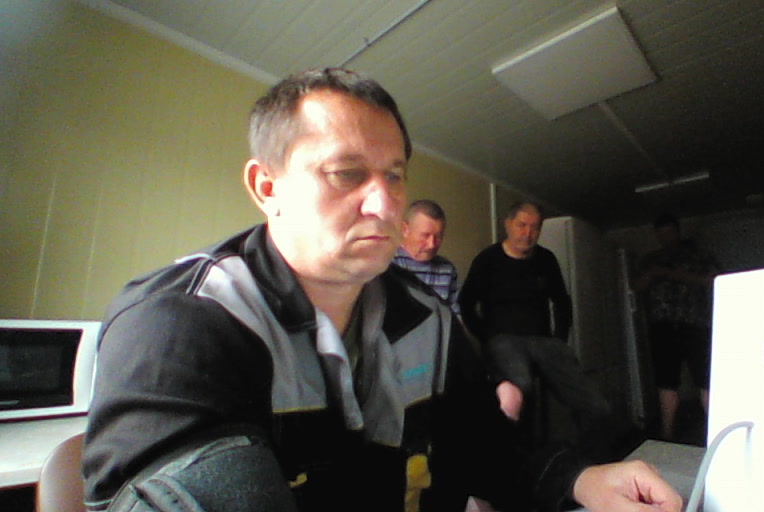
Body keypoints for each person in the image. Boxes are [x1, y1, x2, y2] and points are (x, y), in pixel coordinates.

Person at [82, 68, 682, 512]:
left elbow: (486, 445)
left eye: (394, 176)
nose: (386, 203)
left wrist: (577, 479)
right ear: (267, 187)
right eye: (346, 173)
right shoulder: (179, 324)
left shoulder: (429, 321)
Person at [458, 202, 614, 455]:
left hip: (544, 342)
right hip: (503, 341)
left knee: (596, 406)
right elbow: (466, 303)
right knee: (521, 388)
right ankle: (517, 459)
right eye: (522, 225)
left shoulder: (546, 260)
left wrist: (559, 339)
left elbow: (562, 302)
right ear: (508, 224)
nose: (528, 233)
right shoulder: (487, 260)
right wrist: (487, 338)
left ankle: (585, 463)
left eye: (535, 227)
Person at [633, 214, 720, 442]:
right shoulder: (651, 259)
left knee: (705, 378)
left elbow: (714, 281)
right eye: (660, 234)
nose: (665, 238)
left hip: (695, 323)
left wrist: (671, 274)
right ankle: (667, 433)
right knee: (666, 380)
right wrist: (651, 275)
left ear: (677, 231)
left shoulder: (698, 255)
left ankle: (715, 433)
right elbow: (636, 286)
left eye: (669, 232)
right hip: (662, 326)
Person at [392, 199, 460, 315]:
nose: (431, 244)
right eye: (425, 235)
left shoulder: (447, 269)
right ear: (405, 230)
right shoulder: (387, 264)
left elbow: (455, 316)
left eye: (438, 236)